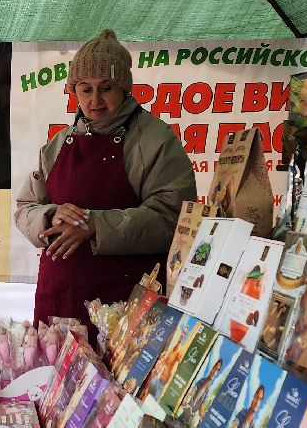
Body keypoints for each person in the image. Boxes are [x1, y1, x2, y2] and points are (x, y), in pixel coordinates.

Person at [15, 29, 194, 334]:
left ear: (124, 88)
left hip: (124, 307)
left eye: (106, 88)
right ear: (74, 91)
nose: (95, 100)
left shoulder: (153, 140)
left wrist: (96, 225)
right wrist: (50, 214)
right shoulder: (59, 144)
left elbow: (173, 219)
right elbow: (25, 207)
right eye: (85, 89)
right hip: (59, 299)